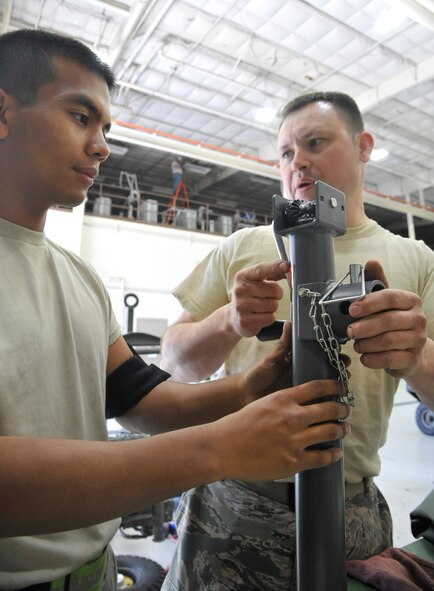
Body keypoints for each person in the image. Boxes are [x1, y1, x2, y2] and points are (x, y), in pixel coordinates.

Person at [0, 30, 351, 589]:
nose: (101, 146)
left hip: (93, 570)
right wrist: (218, 448)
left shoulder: (78, 277)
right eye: (80, 115)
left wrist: (247, 390)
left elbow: (137, 398)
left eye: (106, 129)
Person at [160, 91, 434, 590]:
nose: (298, 161)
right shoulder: (244, 248)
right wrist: (229, 321)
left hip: (349, 513)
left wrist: (415, 356)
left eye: (315, 142)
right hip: (230, 506)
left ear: (363, 146)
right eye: (286, 152)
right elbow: (174, 360)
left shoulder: (415, 259)